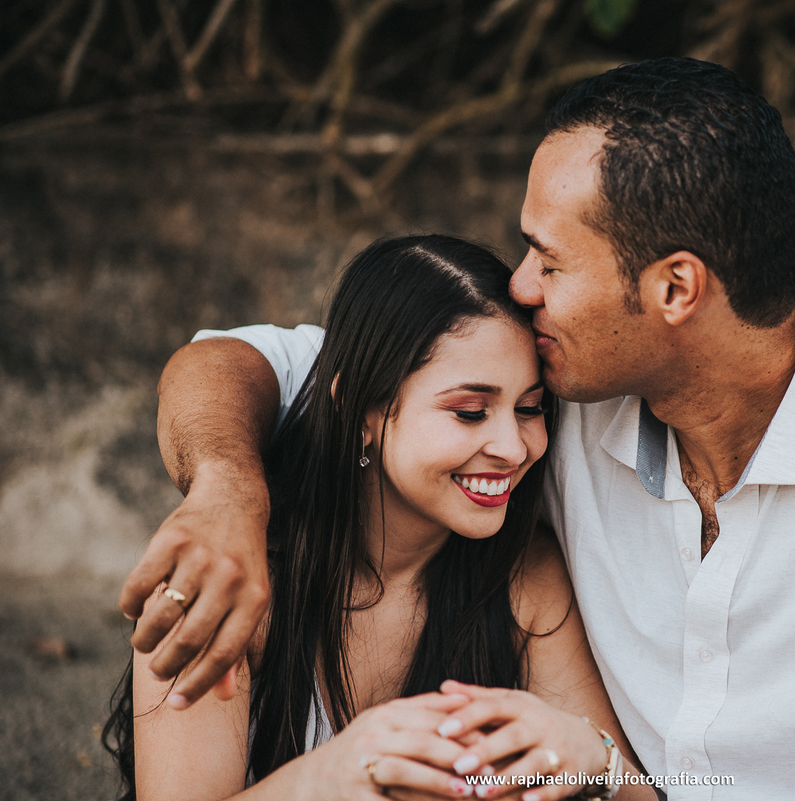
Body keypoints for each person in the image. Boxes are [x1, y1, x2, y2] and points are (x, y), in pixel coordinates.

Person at [120, 58, 795, 801]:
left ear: (676, 287)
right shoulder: (551, 401)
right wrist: (227, 485)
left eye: (550, 257)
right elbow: (239, 362)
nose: (522, 285)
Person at [106, 235, 656, 801]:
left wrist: (600, 764)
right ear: (358, 411)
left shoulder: (524, 579)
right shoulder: (226, 579)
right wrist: (330, 778)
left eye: (528, 408)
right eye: (470, 412)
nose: (514, 448)